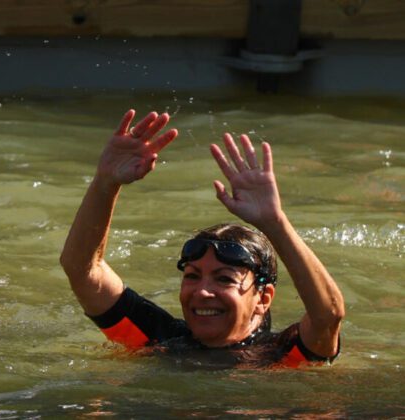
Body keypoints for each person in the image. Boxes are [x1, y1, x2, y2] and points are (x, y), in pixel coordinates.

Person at [60, 110, 345, 368]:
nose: (202, 292)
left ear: (264, 298)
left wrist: (275, 223)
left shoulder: (285, 354)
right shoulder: (160, 340)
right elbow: (83, 270)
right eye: (193, 276)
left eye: (223, 279)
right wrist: (105, 183)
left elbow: (328, 315)